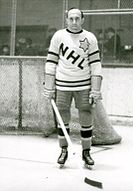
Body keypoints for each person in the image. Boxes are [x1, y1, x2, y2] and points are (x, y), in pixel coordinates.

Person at [43, 8, 103, 168]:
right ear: (66, 20)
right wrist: (49, 87)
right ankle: (63, 150)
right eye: (71, 18)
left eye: (77, 18)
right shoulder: (59, 36)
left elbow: (96, 65)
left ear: (83, 20)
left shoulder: (90, 38)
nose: (74, 22)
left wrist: (95, 89)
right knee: (62, 118)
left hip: (84, 85)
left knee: (86, 116)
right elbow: (51, 62)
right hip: (62, 85)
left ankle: (86, 152)